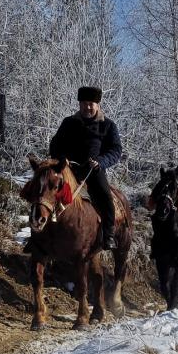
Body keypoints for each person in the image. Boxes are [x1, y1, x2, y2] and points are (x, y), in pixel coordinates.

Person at [48, 86, 122, 250]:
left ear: (98, 105)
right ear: (79, 104)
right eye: (84, 104)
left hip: (93, 171)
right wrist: (61, 159)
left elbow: (116, 150)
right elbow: (55, 144)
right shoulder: (68, 123)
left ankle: (108, 234)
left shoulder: (108, 126)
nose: (87, 107)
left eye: (91, 104)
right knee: (48, 192)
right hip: (69, 170)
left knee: (105, 197)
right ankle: (41, 233)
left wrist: (101, 161)